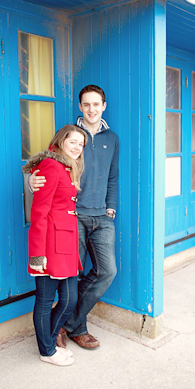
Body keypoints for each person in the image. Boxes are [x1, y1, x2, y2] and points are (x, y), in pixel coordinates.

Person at [29, 85, 119, 350]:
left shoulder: (111, 138)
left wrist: (110, 205)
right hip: (72, 217)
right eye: (86, 104)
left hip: (101, 215)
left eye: (96, 104)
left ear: (104, 106)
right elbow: (47, 161)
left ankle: (65, 324)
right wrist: (32, 177)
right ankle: (76, 329)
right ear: (80, 107)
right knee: (70, 277)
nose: (92, 109)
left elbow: (113, 175)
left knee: (106, 271)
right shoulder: (69, 134)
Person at [22, 124, 88, 366]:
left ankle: (48, 342)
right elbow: (39, 212)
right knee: (45, 298)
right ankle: (47, 350)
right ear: (61, 141)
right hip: (50, 243)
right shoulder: (51, 165)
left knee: (70, 298)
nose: (77, 147)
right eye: (73, 142)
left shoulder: (68, 166)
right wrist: (38, 254)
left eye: (81, 144)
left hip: (67, 241)